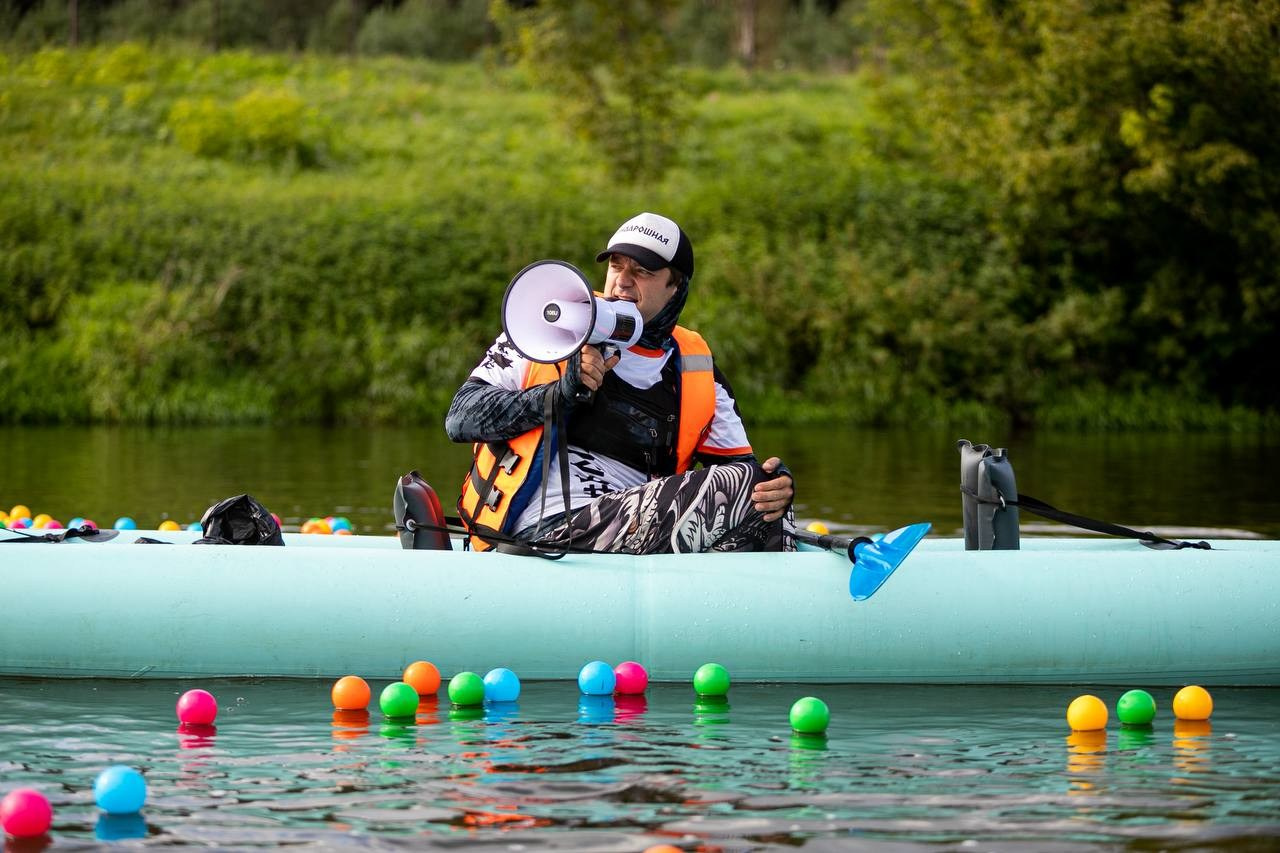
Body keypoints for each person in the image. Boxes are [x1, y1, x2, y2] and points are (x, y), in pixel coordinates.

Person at [446, 211, 794, 554]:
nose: (623, 280)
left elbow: (745, 472)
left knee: (765, 491)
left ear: (675, 288)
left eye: (642, 271)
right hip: (543, 532)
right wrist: (557, 396)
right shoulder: (548, 327)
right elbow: (459, 418)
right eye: (616, 265)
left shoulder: (696, 369)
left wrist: (776, 485)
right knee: (742, 485)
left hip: (637, 531)